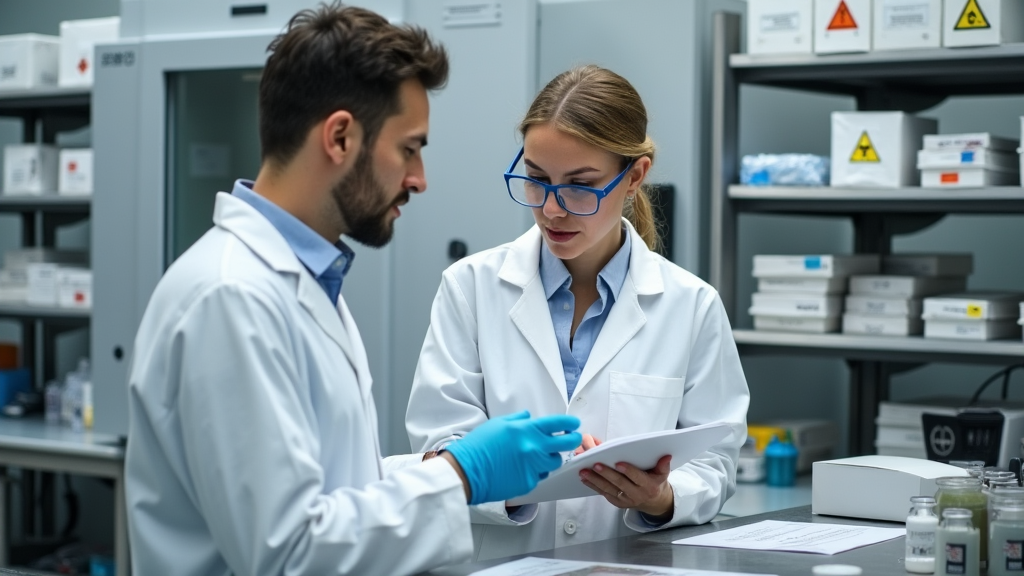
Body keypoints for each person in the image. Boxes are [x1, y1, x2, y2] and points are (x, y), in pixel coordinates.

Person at [124, 5, 582, 575]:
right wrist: (461, 474)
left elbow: (334, 488)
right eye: (409, 149)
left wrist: (455, 464)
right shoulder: (231, 297)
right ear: (340, 137)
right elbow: (287, 553)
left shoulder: (305, 285)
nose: (419, 179)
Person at [405, 65, 750, 560]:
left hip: (628, 565)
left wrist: (662, 498)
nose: (552, 209)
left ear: (634, 177)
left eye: (580, 186)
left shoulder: (691, 305)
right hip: (498, 564)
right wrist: (507, 478)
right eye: (536, 180)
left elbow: (716, 457)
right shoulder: (470, 287)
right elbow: (439, 439)